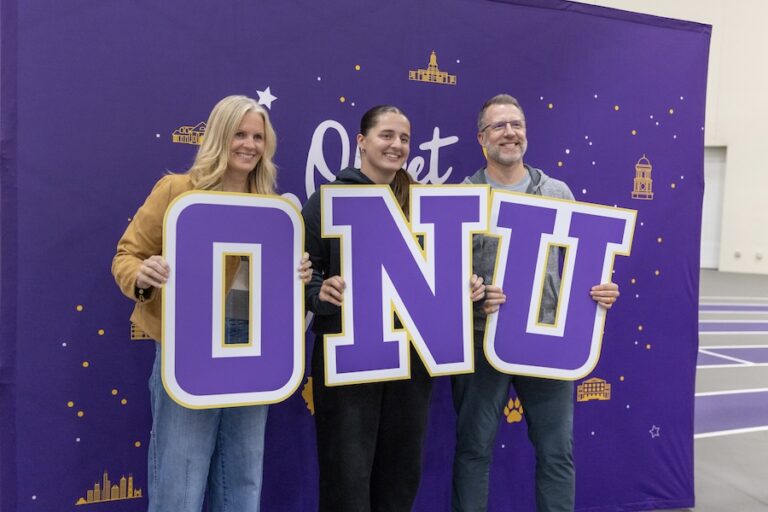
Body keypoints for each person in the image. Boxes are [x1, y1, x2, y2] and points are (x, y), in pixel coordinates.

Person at [111, 95, 311, 512]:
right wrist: (142, 275)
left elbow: (277, 288)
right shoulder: (177, 190)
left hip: (255, 348)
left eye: (258, 137)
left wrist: (299, 277)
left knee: (243, 475)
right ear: (219, 136)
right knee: (179, 475)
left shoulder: (272, 207)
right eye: (240, 134)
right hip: (191, 345)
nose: (249, 145)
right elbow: (126, 256)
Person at [302, 105, 485, 512]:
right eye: (387, 135)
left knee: (400, 475)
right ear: (362, 141)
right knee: (346, 475)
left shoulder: (421, 203)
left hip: (409, 359)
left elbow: (438, 272)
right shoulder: (327, 200)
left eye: (404, 138)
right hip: (348, 358)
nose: (397, 145)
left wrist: (463, 288)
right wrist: (319, 292)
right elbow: (301, 270)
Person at [450, 94, 621, 512]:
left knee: (556, 452)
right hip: (482, 340)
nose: (510, 133)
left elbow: (580, 266)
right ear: (481, 138)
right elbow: (442, 277)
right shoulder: (461, 197)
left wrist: (599, 290)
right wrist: (468, 291)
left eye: (517, 124)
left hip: (548, 341)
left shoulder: (557, 191)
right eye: (499, 126)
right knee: (473, 450)